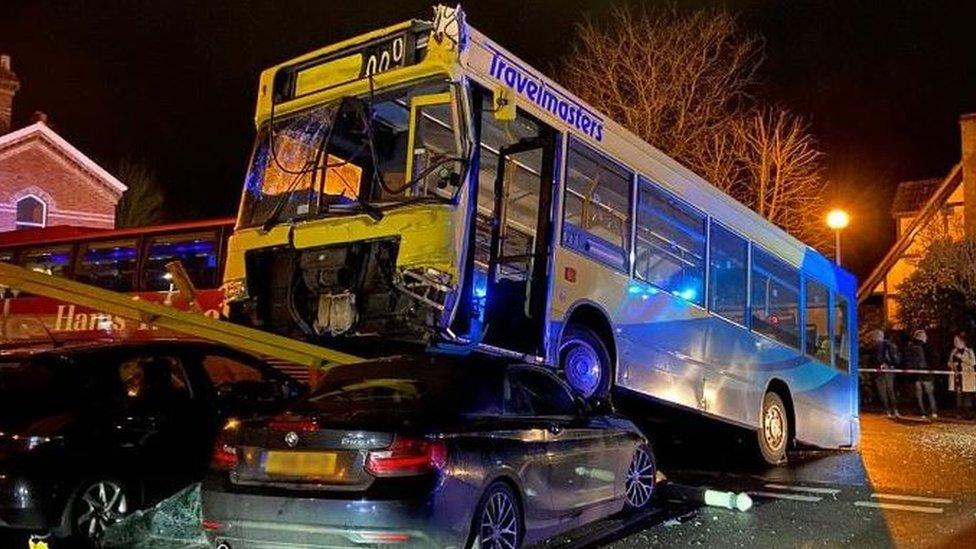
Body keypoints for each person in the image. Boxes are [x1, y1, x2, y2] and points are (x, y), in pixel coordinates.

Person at [867, 329, 901, 418]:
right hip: (890, 370)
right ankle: (895, 410)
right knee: (891, 390)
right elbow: (895, 358)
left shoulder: (876, 346)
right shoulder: (891, 345)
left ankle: (887, 411)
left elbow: (876, 359)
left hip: (880, 371)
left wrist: (878, 364)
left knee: (882, 392)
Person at [905, 329, 938, 419]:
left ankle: (922, 412)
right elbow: (934, 359)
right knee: (929, 393)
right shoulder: (928, 346)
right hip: (926, 373)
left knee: (919, 394)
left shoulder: (910, 347)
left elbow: (907, 361)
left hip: (915, 373)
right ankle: (933, 411)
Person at [948, 333, 976, 419]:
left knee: (967, 395)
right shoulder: (953, 351)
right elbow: (949, 362)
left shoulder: (969, 351)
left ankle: (968, 414)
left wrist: (962, 358)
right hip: (957, 376)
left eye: (956, 340)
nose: (955, 342)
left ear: (962, 341)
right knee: (958, 395)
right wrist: (953, 365)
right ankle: (958, 413)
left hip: (967, 376)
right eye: (954, 341)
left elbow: (973, 362)